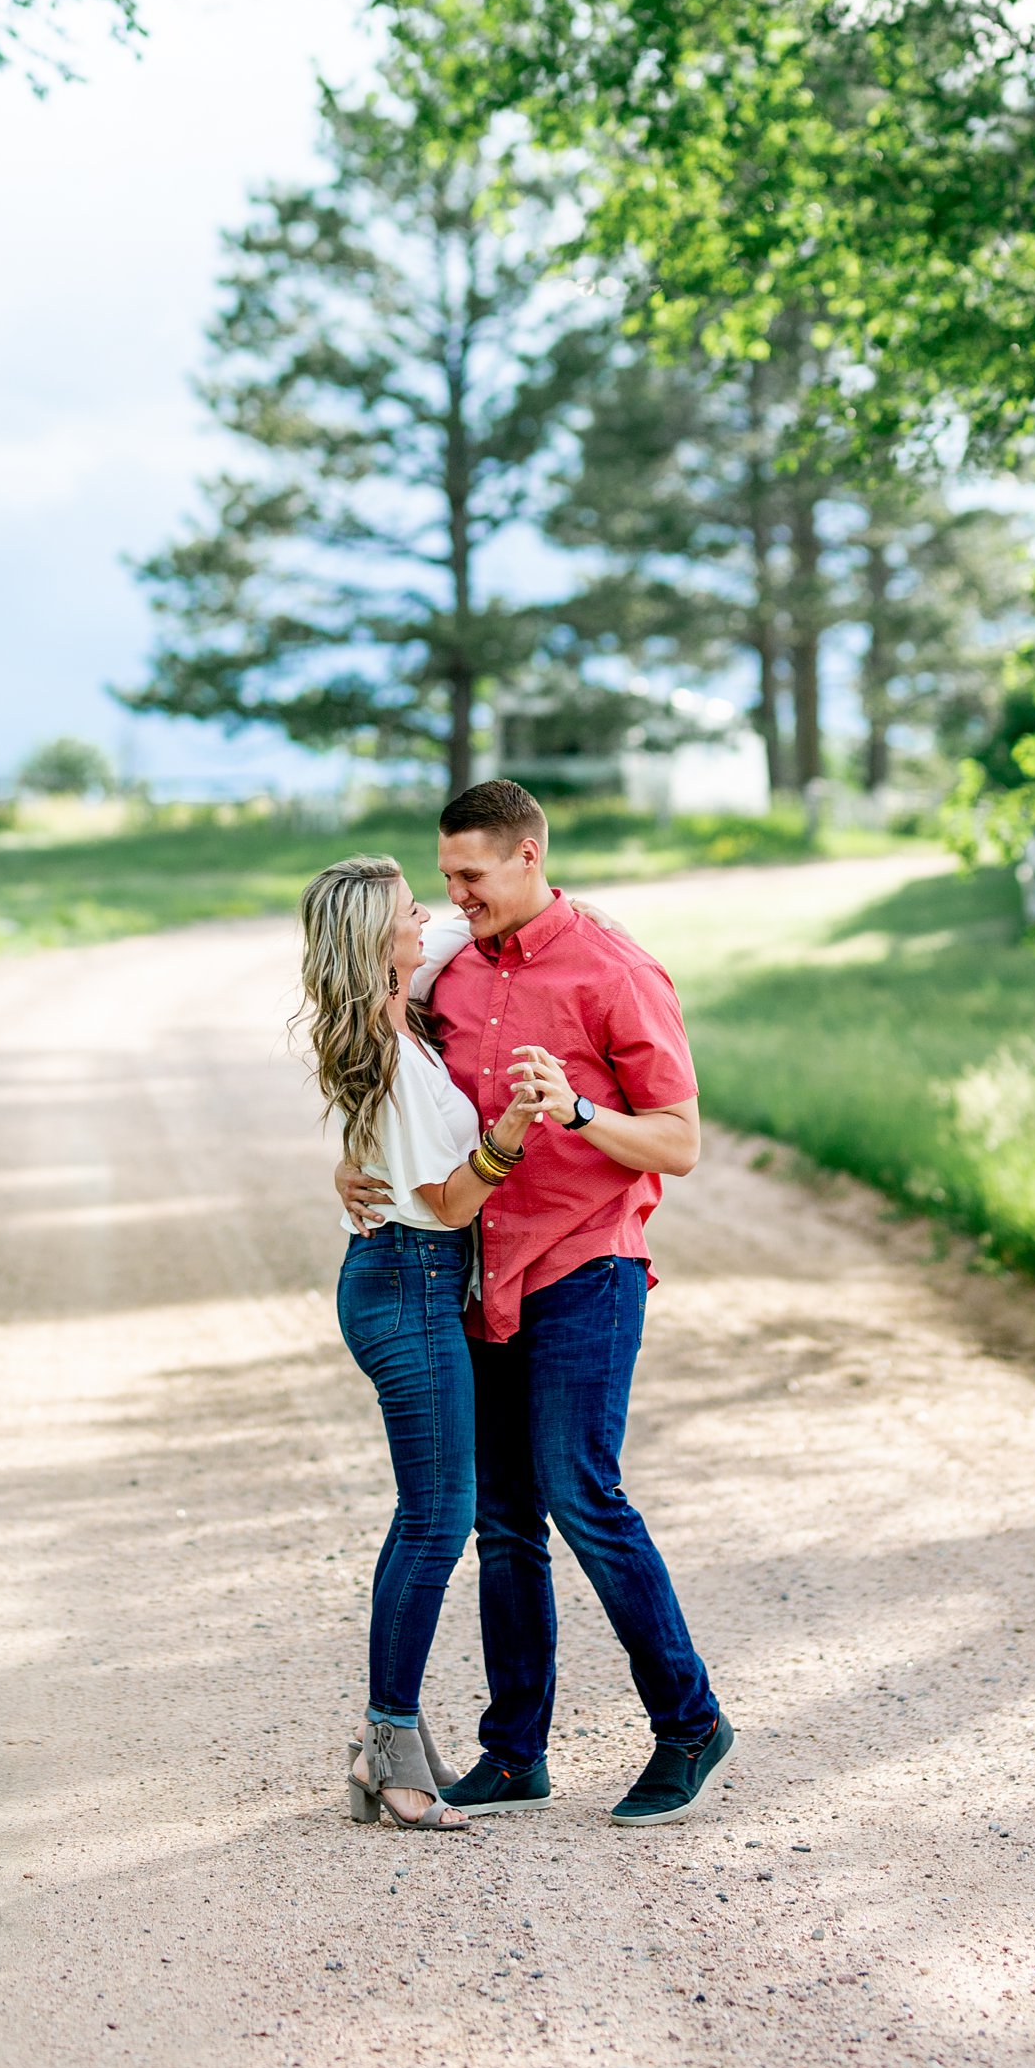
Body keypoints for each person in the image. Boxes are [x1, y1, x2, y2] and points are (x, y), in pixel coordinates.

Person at [338, 780, 736, 1830]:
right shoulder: (453, 972)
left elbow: (680, 1142)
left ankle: (687, 1720)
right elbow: (375, 1055)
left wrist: (580, 1109)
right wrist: (346, 1159)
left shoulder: (615, 969)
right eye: (445, 877)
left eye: (469, 875)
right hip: (482, 1273)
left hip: (584, 1267)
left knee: (578, 1491)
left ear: (527, 856)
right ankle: (513, 1752)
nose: (453, 894)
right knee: (503, 1521)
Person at [296, 852, 537, 1833]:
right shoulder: (389, 1058)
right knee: (437, 1519)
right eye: (408, 910)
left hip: (407, 1281)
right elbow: (443, 1199)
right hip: (408, 1279)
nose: (429, 915)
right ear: (379, 941)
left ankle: (383, 1741)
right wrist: (512, 1133)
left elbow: (467, 922)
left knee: (431, 1513)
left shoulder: (391, 1015)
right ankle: (388, 1746)